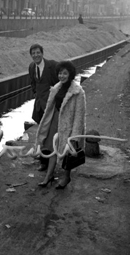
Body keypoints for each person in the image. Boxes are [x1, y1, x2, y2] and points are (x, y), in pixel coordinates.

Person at [29, 60, 86, 189]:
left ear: (70, 74)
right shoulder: (56, 87)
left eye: (65, 73)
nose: (62, 76)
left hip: (68, 125)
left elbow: (79, 115)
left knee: (67, 151)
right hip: (55, 121)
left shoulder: (78, 92)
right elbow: (50, 108)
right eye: (60, 73)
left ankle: (66, 177)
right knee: (52, 148)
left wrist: (75, 136)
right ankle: (49, 175)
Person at [28, 44, 59, 171]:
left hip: (51, 106)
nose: (36, 55)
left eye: (38, 52)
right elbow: (33, 83)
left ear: (42, 53)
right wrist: (36, 94)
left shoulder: (52, 65)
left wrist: (56, 91)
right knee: (41, 132)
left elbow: (62, 79)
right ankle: (43, 159)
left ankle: (47, 161)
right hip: (39, 106)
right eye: (33, 53)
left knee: (50, 134)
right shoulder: (31, 67)